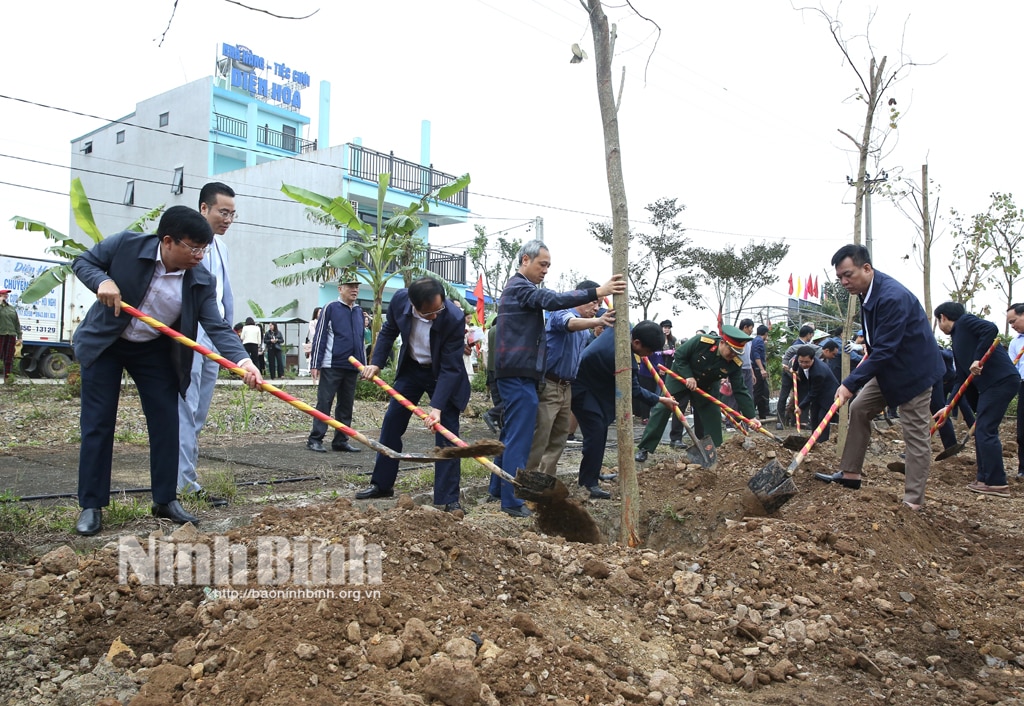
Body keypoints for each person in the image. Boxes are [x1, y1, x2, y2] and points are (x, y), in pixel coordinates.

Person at [70, 206, 262, 536]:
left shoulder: (201, 278)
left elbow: (215, 325)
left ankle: (164, 500)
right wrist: (102, 280)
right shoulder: (126, 246)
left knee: (167, 422)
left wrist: (243, 361)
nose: (200, 256)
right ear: (169, 241)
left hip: (153, 349)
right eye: (194, 248)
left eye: (205, 249)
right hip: (108, 343)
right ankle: (91, 505)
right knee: (98, 423)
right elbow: (83, 262)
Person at [488, 239, 626, 517]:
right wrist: (598, 290)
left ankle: (497, 490)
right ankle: (513, 501)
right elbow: (552, 301)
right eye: (542, 264)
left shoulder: (522, 290)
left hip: (523, 373)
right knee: (522, 438)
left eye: (549, 265)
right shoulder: (520, 288)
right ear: (525, 260)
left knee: (514, 434)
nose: (546, 270)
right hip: (518, 373)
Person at [813, 244, 945, 511]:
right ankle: (850, 474)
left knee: (916, 435)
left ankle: (913, 502)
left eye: (848, 274)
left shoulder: (892, 297)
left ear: (866, 268)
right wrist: (858, 378)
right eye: (839, 277)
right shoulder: (867, 293)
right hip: (888, 368)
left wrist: (850, 382)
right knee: (860, 408)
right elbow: (877, 346)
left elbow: (886, 348)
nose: (844, 282)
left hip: (913, 372)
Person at [354, 277, 470, 511]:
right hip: (412, 370)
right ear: (415, 306)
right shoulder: (399, 301)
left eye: (440, 309)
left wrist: (436, 407)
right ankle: (382, 484)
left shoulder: (453, 317)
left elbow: (451, 366)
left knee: (446, 433)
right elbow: (388, 331)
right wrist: (376, 362)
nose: (436, 315)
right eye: (430, 313)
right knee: (391, 424)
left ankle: (448, 498)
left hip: (443, 375)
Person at [176, 182, 237, 506]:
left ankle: (184, 475)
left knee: (199, 412)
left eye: (232, 214)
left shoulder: (222, 249)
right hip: (190, 336)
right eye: (222, 212)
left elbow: (225, 297)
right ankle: (184, 483)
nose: (227, 219)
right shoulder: (188, 246)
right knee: (185, 408)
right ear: (204, 209)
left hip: (215, 337)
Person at [572, 321, 678, 496]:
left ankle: (592, 473)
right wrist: (660, 399)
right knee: (595, 434)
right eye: (649, 351)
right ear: (636, 343)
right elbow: (633, 389)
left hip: (596, 386)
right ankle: (588, 483)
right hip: (582, 389)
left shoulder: (624, 327)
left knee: (601, 432)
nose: (649, 355)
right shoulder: (622, 359)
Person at [525, 280, 615, 481]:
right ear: (580, 296)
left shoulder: (585, 329)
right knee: (540, 438)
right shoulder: (562, 312)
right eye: (593, 302)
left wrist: (597, 326)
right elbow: (569, 324)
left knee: (558, 439)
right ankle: (527, 484)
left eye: (599, 304)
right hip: (549, 384)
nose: (596, 308)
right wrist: (598, 321)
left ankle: (545, 482)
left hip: (567, 387)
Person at [634, 324, 761, 462]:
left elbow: (740, 389)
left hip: (706, 386)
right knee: (663, 408)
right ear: (723, 343)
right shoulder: (702, 341)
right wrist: (688, 376)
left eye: (737, 353)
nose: (733, 356)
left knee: (713, 416)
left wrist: (751, 417)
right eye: (731, 351)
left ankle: (714, 452)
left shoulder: (735, 363)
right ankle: (645, 448)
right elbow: (680, 355)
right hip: (680, 377)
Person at [935, 301, 1018, 498]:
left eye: (939, 321)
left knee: (985, 429)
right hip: (990, 386)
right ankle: (984, 478)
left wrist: (977, 358)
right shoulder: (957, 340)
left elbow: (990, 328)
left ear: (943, 317)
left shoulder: (965, 322)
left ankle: (996, 482)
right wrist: (948, 406)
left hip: (1000, 381)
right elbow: (961, 378)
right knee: (982, 429)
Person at [307, 274, 365, 453]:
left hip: (352, 366)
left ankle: (341, 440)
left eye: (356, 286)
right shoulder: (330, 308)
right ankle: (315, 439)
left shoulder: (358, 312)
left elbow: (360, 340)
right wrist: (315, 364)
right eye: (350, 286)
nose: (354, 289)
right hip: (332, 364)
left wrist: (363, 366)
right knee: (324, 402)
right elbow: (320, 336)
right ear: (340, 289)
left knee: (346, 405)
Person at [793, 345, 840, 442]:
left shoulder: (818, 372)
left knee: (822, 419)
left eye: (806, 362)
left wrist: (801, 407)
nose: (803, 364)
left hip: (829, 394)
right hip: (817, 393)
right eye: (801, 361)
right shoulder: (800, 361)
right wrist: (793, 369)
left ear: (813, 359)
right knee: (814, 417)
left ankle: (822, 442)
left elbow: (813, 392)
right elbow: (796, 364)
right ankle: (813, 441)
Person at [1006, 304, 1024, 479]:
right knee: (1022, 432)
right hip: (1023, 385)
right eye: (1009, 323)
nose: (1012, 326)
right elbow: (1013, 367)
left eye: (1014, 321)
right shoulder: (1015, 342)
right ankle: (1023, 469)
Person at [0, 288, 21, 383]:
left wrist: (19, 336)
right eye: (4, 294)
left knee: (9, 358)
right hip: (1, 333)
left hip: (11, 334)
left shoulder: (11, 308)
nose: (6, 295)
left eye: (6, 294)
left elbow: (17, 323)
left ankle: (8, 378)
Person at [750, 324, 771, 419]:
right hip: (758, 369)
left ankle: (763, 413)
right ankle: (751, 414)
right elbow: (756, 355)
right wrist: (762, 369)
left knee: (763, 391)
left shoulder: (757, 340)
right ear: (766, 333)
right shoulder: (758, 341)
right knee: (758, 392)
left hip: (758, 368)